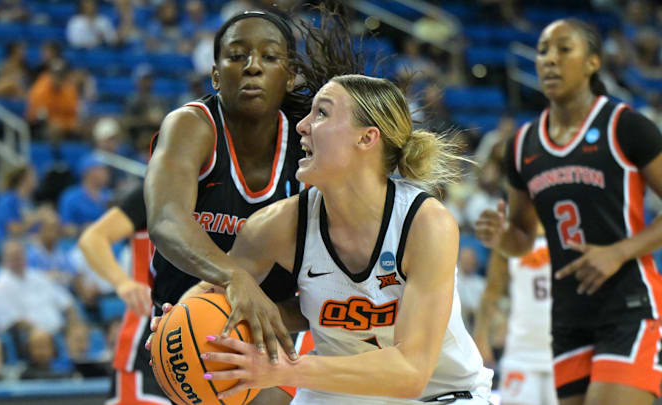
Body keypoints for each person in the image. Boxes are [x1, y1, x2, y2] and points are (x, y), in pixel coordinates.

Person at [159, 74, 492, 404]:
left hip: (439, 393)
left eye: (321, 113)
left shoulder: (426, 223)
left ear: (366, 138)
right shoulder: (277, 225)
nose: (302, 125)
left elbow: (411, 372)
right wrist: (176, 325)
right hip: (338, 394)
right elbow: (214, 291)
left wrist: (283, 368)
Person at [144, 7, 361, 405]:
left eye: (269, 57)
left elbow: (335, 278)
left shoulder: (309, 146)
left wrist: (270, 313)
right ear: (215, 75)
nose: (252, 67)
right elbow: (166, 219)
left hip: (269, 330)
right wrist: (234, 278)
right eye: (237, 55)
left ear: (291, 74)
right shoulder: (192, 125)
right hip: (180, 323)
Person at [474, 19, 662, 405]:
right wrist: (500, 236)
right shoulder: (522, 145)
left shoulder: (626, 127)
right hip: (567, 317)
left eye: (564, 49)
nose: (549, 61)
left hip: (628, 304)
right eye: (543, 51)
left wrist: (619, 251)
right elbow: (522, 240)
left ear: (593, 62)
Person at [78, 184, 161, 404]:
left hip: (207, 342)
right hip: (146, 342)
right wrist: (123, 282)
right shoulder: (157, 189)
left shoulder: (232, 197)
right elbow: (92, 239)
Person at [473, 222, 557, 405]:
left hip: (563, 352)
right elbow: (492, 292)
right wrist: (481, 337)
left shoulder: (568, 232)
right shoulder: (510, 239)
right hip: (521, 353)